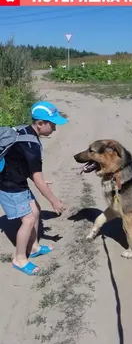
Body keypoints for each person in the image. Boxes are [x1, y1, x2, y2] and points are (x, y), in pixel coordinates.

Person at [0, 101, 68, 276]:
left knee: (36, 211)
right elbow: (37, 178)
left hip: (17, 180)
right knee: (28, 220)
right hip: (10, 186)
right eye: (52, 124)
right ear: (39, 124)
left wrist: (42, 181)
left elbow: (26, 167)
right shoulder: (31, 147)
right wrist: (54, 201)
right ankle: (19, 259)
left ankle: (35, 246)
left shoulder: (24, 130)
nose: (54, 128)